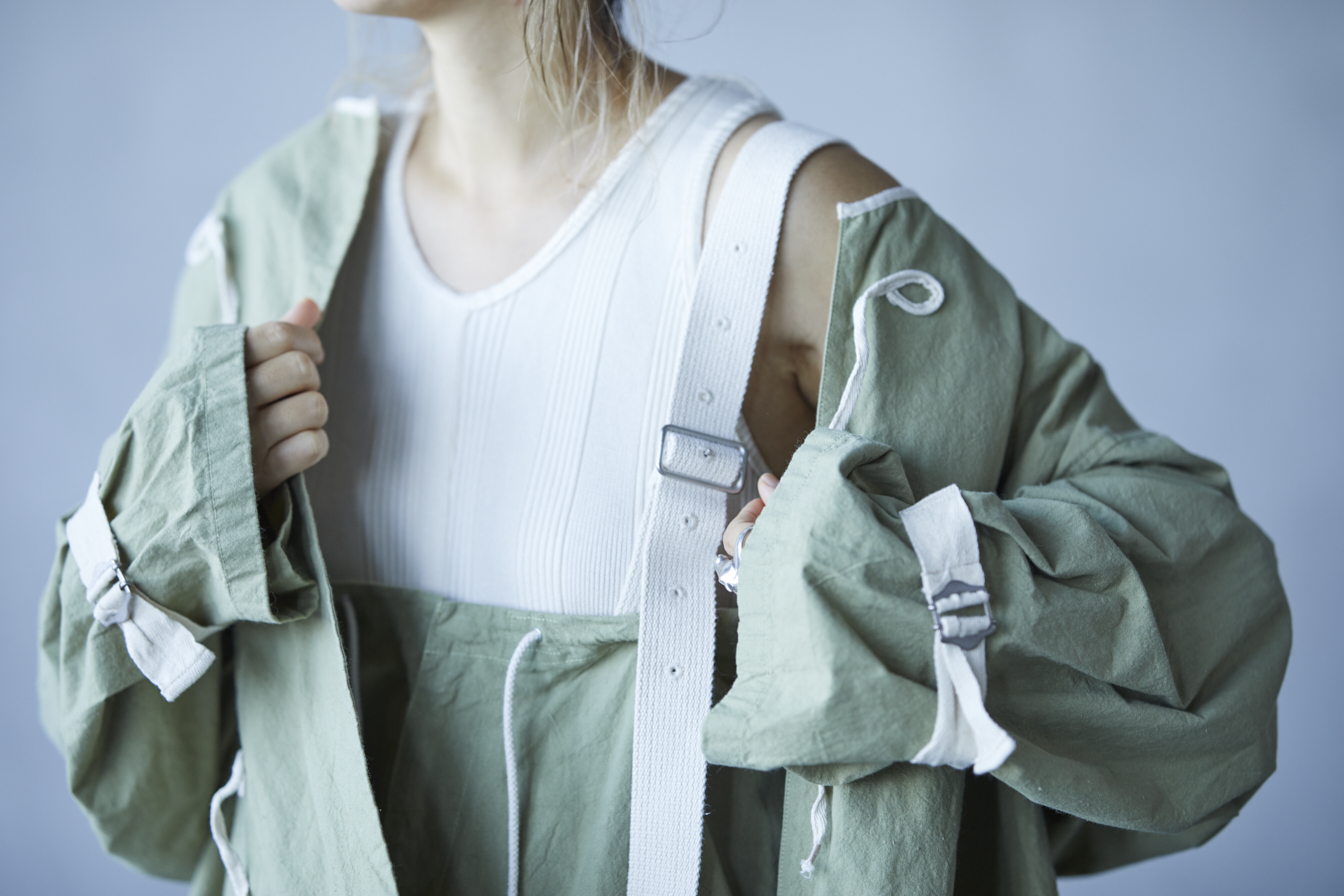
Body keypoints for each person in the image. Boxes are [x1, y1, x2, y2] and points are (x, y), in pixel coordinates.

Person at [37, 1, 1290, 894]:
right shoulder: (269, 233)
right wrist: (161, 522)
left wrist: (866, 580)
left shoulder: (797, 225)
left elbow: (1209, 623)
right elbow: (157, 791)